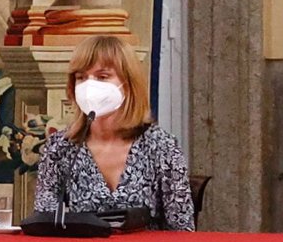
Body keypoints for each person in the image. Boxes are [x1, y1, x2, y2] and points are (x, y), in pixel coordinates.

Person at [32, 36, 195, 229]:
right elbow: (45, 221)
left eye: (102, 77)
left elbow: (182, 227)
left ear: (127, 84)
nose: (89, 87)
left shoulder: (161, 146)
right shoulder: (60, 147)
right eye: (81, 77)